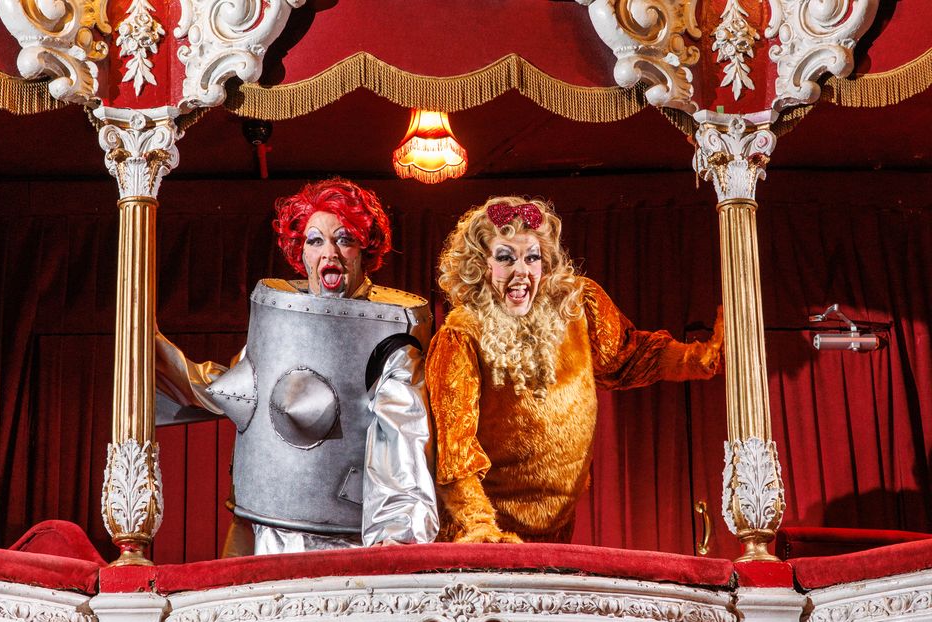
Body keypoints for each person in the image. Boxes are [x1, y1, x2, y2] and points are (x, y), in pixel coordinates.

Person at [156, 179, 438, 554]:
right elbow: (234, 388)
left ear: (364, 251)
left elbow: (402, 433)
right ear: (300, 252)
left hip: (351, 541)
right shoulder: (287, 320)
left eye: (345, 239)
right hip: (275, 532)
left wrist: (399, 535)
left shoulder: (390, 335)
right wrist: (150, 350)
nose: (330, 253)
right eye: (315, 240)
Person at [425, 196, 723, 544]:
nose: (521, 271)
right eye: (505, 258)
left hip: (559, 522)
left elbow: (629, 357)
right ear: (481, 264)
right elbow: (454, 451)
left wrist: (699, 360)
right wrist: (480, 526)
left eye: (531, 257)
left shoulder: (578, 306)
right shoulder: (461, 334)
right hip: (488, 530)